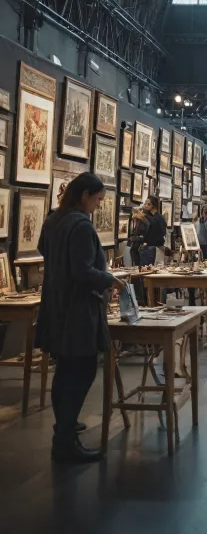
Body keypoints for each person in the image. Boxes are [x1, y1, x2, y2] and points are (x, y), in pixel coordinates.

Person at [36, 173, 127, 463]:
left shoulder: (53, 220)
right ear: (84, 195)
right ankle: (64, 439)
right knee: (83, 369)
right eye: (98, 199)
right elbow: (83, 271)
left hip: (56, 303)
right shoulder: (80, 225)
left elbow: (44, 251)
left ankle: (64, 423)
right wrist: (111, 280)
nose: (98, 206)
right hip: (78, 309)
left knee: (64, 368)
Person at [137, 196, 166, 267]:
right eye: (145, 204)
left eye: (148, 204)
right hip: (151, 248)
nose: (146, 206)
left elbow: (159, 232)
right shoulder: (154, 217)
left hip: (152, 248)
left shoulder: (157, 218)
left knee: (146, 271)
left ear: (153, 205)